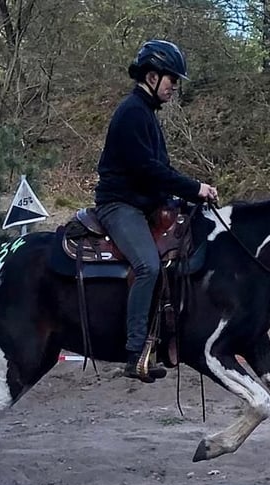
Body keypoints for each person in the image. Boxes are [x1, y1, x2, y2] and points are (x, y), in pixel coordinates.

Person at [94, 39, 218, 383]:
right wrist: (195, 188)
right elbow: (147, 170)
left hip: (142, 203)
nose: (174, 86)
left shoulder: (145, 113)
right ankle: (134, 351)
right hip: (119, 205)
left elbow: (158, 170)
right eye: (171, 79)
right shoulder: (132, 112)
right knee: (148, 266)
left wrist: (179, 199)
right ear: (152, 76)